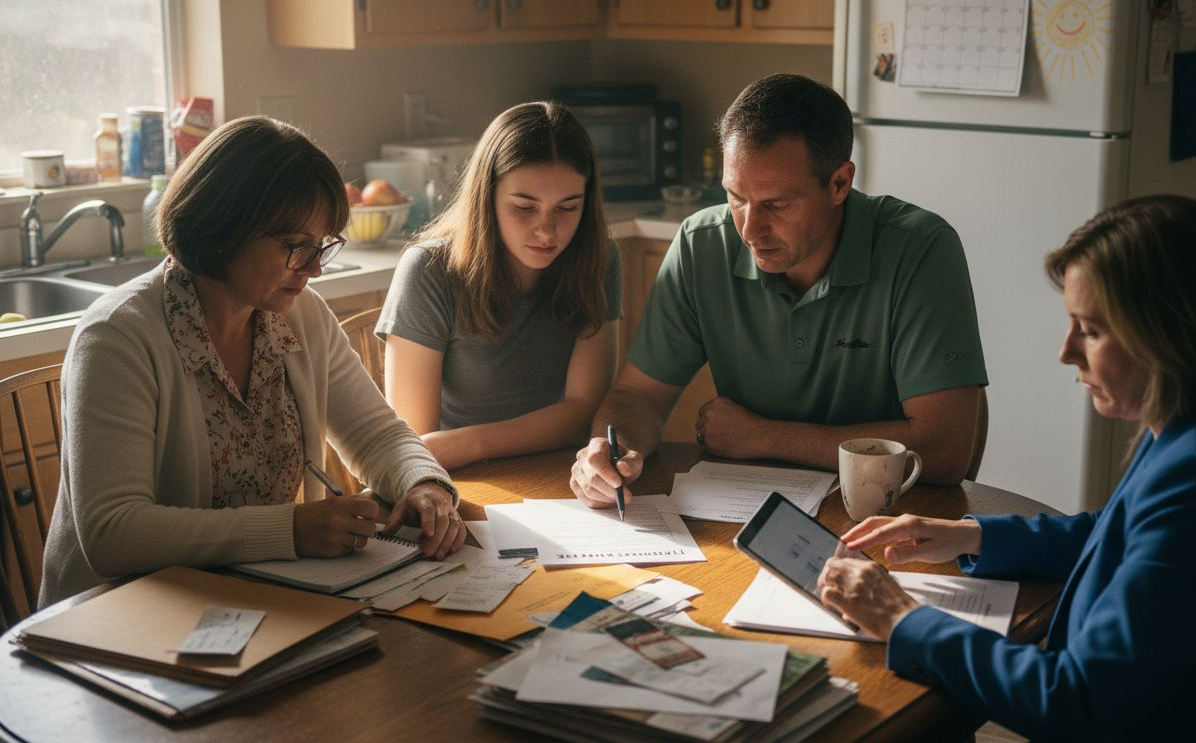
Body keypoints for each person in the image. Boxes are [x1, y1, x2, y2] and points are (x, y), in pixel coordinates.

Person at [818, 196, 1196, 740]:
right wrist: (965, 536)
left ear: (1172, 334)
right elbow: (1118, 536)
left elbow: (1075, 700)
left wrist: (899, 617)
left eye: (1092, 330)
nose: (1066, 352)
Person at [39, 116, 465, 608]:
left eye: (322, 244)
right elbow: (113, 533)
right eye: (294, 247)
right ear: (223, 227)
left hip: (247, 600)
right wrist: (289, 530)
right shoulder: (117, 337)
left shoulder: (299, 314)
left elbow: (376, 433)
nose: (314, 267)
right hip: (113, 619)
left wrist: (425, 483)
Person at [570, 73, 986, 506]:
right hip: (741, 512)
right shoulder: (701, 244)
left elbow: (943, 451)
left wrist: (763, 437)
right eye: (736, 198)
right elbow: (638, 397)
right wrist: (608, 451)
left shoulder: (920, 250)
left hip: (884, 518)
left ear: (840, 183)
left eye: (777, 204)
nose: (750, 230)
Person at [377, 101, 619, 471]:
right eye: (524, 207)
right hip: (455, 483)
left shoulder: (598, 259)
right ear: (486, 199)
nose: (547, 230)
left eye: (568, 207)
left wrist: (472, 442)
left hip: (560, 476)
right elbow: (419, 449)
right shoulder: (429, 271)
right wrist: (466, 452)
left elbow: (585, 412)